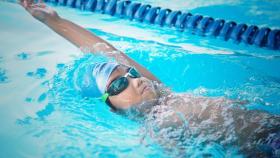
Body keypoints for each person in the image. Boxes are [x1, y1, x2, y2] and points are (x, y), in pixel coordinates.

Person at [20, 1, 280, 157]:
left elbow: (109, 52)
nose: (135, 79)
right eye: (120, 84)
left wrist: (56, 21)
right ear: (110, 106)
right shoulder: (155, 129)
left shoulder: (165, 95)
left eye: (131, 74)